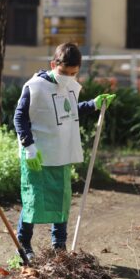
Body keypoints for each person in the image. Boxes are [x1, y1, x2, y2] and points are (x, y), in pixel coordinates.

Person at [14, 42, 115, 260]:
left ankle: (58, 246)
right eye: (64, 72)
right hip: (37, 153)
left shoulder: (70, 85)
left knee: (61, 200)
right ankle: (23, 245)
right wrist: (28, 145)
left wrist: (94, 104)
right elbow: (19, 117)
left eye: (74, 73)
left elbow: (69, 111)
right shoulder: (35, 86)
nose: (69, 77)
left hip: (60, 153)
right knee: (33, 199)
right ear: (53, 64)